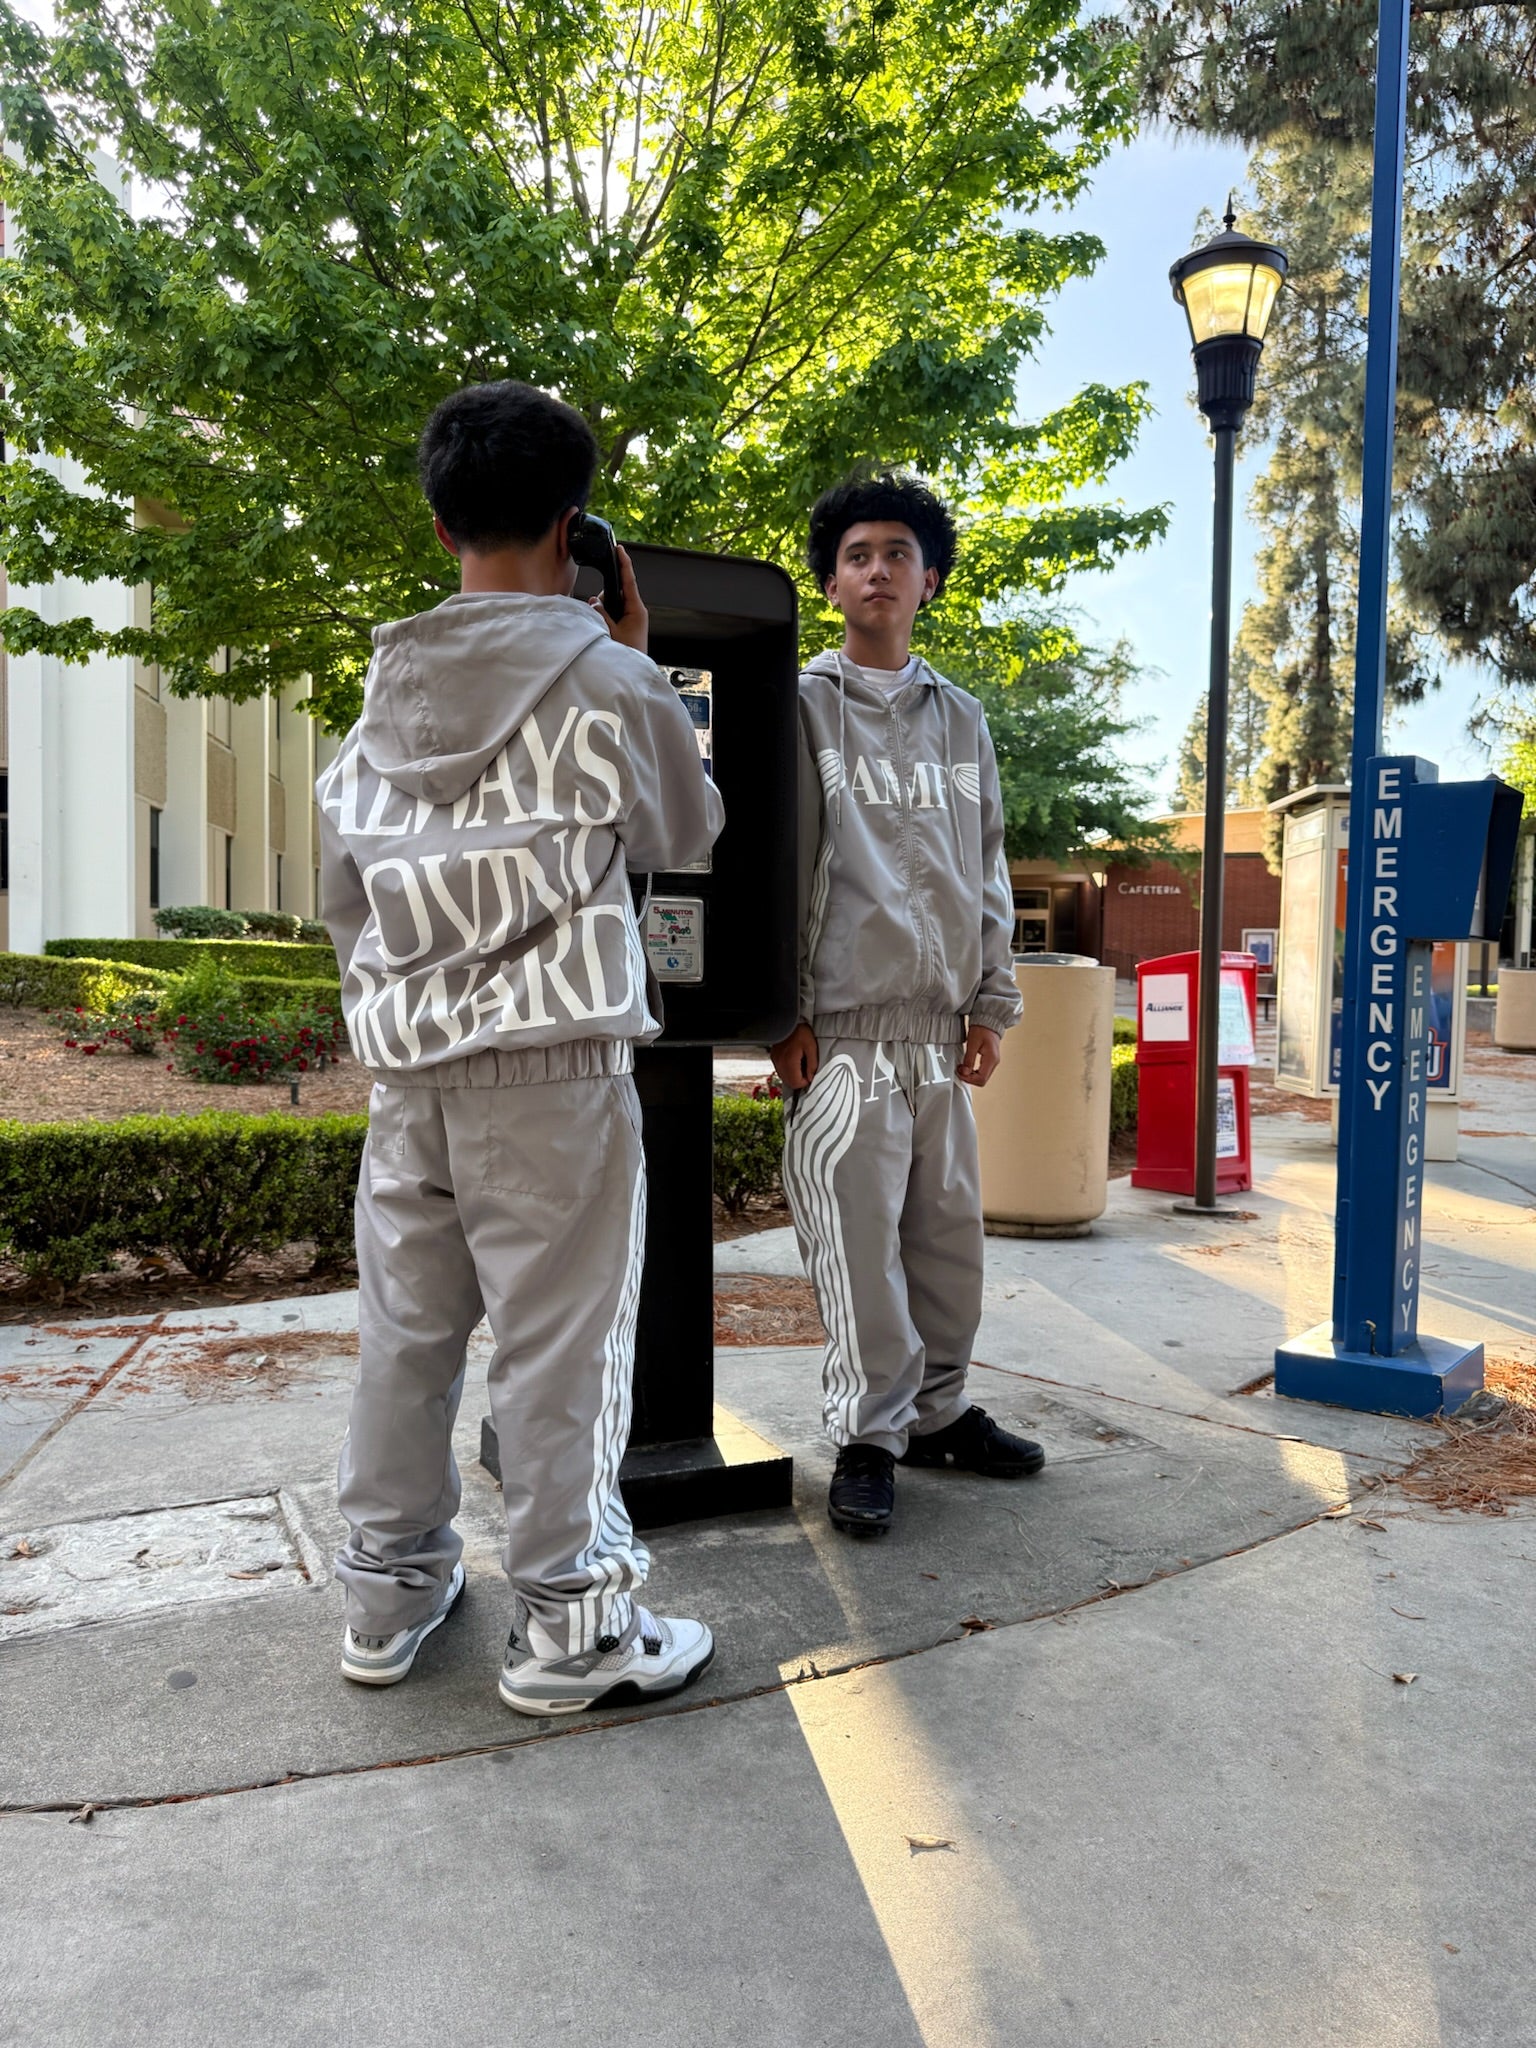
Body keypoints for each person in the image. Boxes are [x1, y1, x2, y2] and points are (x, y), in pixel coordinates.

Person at [318, 380, 724, 1713]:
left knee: (406, 1337)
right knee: (565, 1353)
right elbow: (689, 829)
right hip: (556, 1070)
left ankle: (386, 1593)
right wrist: (638, 651)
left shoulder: (375, 707)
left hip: (408, 1075)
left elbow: (343, 902)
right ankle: (568, 1631)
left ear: (441, 525)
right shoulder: (610, 681)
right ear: (574, 524)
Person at [771, 470, 1044, 1537]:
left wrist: (992, 999)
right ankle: (869, 1435)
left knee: (946, 1242)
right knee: (858, 1252)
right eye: (855, 554)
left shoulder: (960, 719)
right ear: (832, 582)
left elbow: (985, 866)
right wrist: (779, 1011)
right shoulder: (799, 707)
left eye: (896, 552)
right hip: (838, 1033)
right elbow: (781, 868)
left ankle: (937, 1413)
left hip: (938, 1032)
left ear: (928, 577)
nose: (876, 568)